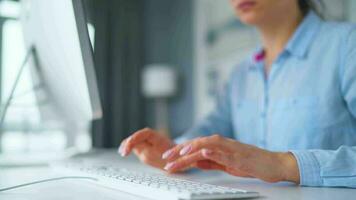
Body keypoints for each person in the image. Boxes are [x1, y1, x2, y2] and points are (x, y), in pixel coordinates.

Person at [119, 0, 356, 188]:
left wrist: (282, 164)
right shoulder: (240, 73)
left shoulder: (347, 45)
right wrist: (175, 151)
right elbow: (212, 128)